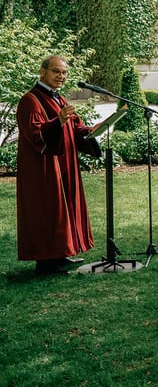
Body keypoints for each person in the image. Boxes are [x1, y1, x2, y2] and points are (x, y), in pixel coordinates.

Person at [16, 55, 100, 276]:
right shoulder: (30, 100)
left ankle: (60, 254)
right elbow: (36, 134)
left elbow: (75, 128)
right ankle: (45, 262)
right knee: (48, 211)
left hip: (64, 166)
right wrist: (58, 121)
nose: (61, 76)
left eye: (64, 73)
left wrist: (94, 130)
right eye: (56, 71)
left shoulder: (59, 99)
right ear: (42, 72)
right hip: (43, 169)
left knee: (64, 210)